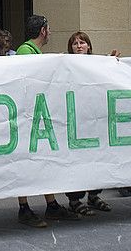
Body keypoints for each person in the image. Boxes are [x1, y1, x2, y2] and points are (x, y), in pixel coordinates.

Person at [12, 16, 72, 224]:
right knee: (27, 162)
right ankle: (24, 207)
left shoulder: (32, 51)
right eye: (49, 29)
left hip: (37, 115)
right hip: (29, 117)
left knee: (44, 160)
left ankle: (51, 203)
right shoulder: (25, 51)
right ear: (43, 31)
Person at [63, 31, 116, 216]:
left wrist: (112, 64)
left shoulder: (97, 64)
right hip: (75, 120)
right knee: (76, 160)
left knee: (97, 157)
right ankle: (74, 199)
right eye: (75, 43)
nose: (79, 46)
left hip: (94, 119)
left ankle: (94, 195)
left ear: (89, 46)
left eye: (82, 42)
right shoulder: (65, 65)